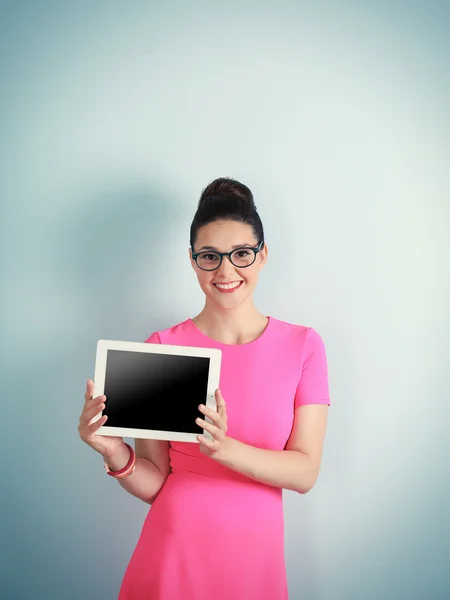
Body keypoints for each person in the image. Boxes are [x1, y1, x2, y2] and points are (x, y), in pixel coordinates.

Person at [78, 177, 330, 599]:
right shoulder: (163, 348)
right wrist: (112, 450)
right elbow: (156, 482)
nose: (226, 271)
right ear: (193, 261)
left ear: (263, 255)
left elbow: (305, 473)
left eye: (242, 254)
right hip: (172, 556)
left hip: (255, 565)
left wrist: (224, 448)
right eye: (210, 257)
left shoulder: (303, 346)